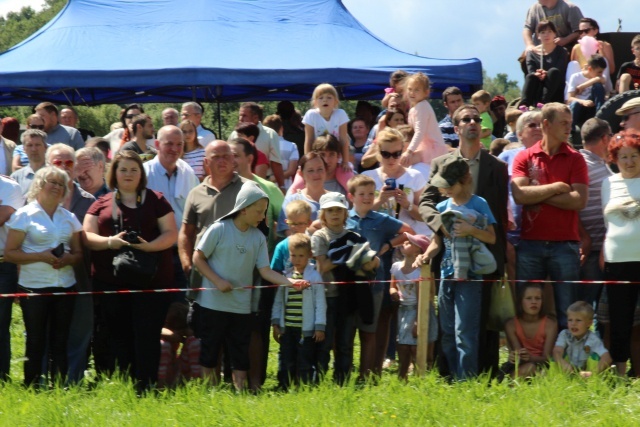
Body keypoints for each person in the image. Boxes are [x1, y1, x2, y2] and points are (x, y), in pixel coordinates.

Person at [419, 104, 509, 375]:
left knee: (483, 321)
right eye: (465, 119)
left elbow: (500, 217)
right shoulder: (440, 163)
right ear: (456, 128)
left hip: (485, 257)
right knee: (450, 325)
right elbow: (425, 203)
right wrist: (441, 228)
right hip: (449, 256)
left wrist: (500, 255)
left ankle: (483, 375)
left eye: (476, 118)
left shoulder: (497, 166)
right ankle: (449, 375)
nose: (472, 122)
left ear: (481, 128)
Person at [193, 181, 308, 391]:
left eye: (264, 212)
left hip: (241, 307)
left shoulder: (258, 238)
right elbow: (198, 258)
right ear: (243, 208)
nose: (262, 217)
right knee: (210, 350)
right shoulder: (219, 229)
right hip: (212, 305)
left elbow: (265, 271)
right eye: (258, 211)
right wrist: (217, 281)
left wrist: (290, 282)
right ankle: (209, 392)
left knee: (240, 352)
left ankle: (241, 392)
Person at [83, 150, 177, 393]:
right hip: (110, 284)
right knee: (117, 335)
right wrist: (110, 242)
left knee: (147, 336)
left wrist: (147, 247)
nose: (128, 174)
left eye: (134, 169)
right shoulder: (100, 203)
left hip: (152, 284)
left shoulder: (156, 199)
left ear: (141, 174)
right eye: (123, 169)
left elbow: (171, 234)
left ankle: (146, 387)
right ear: (113, 172)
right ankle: (122, 385)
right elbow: (87, 236)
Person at [511, 102, 588, 330]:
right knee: (525, 309)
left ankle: (566, 363)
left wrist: (536, 195)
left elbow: (579, 201)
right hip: (530, 244)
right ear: (546, 124)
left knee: (569, 312)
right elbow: (519, 195)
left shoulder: (576, 158)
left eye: (570, 124)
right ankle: (528, 361)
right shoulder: (524, 157)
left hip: (566, 245)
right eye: (563, 123)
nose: (569, 129)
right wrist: (556, 187)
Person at [5, 166, 83, 387]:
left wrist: (67, 259)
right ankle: (31, 386)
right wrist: (41, 256)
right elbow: (10, 253)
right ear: (39, 184)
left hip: (65, 286)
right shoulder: (24, 215)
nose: (57, 187)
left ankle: (59, 387)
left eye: (61, 184)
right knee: (36, 340)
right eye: (53, 182)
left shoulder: (69, 217)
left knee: (61, 341)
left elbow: (78, 255)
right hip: (34, 287)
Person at [422, 157, 497, 380]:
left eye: (449, 185)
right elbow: (437, 243)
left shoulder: (479, 204)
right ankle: (454, 376)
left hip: (471, 277)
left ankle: (467, 380)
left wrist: (470, 229)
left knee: (464, 332)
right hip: (446, 276)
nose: (444, 189)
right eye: (442, 184)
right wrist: (425, 256)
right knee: (447, 331)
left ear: (464, 181)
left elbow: (492, 238)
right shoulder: (442, 206)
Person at [346, 174, 414, 376]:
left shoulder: (381, 219)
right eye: (361, 194)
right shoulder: (344, 218)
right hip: (349, 285)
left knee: (370, 331)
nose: (366, 198)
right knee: (348, 332)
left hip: (374, 285)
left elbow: (408, 231)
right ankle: (346, 372)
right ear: (351, 197)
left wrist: (388, 245)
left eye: (370, 193)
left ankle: (367, 375)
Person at [311, 192, 379, 383]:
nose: (335, 214)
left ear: (345, 213)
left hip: (349, 297)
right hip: (326, 297)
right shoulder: (319, 236)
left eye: (339, 210)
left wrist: (370, 259)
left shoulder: (354, 235)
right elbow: (322, 266)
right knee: (323, 342)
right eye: (330, 210)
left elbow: (371, 264)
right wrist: (348, 252)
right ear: (323, 214)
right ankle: (318, 382)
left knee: (345, 342)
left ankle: (343, 381)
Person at [46, 143, 96, 384]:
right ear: (48, 166)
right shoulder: (32, 202)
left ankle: (73, 381)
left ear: (76, 168)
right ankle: (45, 379)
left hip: (81, 277)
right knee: (45, 332)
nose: (64, 168)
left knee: (79, 332)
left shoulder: (90, 202)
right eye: (58, 163)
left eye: (69, 163)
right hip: (43, 278)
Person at [144, 125, 200, 300]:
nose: (175, 149)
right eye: (169, 144)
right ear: (157, 144)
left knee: (181, 309)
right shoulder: (144, 173)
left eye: (179, 144)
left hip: (182, 252)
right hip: (153, 254)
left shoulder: (188, 173)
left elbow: (197, 210)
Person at [601, 130, 640, 376]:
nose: (629, 161)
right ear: (615, 159)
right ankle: (620, 374)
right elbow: (607, 222)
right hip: (616, 259)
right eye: (623, 156)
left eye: (634, 155)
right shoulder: (608, 183)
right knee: (620, 319)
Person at [271, 233, 325, 390]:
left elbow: (320, 303)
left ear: (309, 255)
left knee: (304, 359)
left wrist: (320, 326)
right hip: (287, 328)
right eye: (293, 255)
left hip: (306, 330)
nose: (297, 259)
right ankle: (284, 385)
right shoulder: (286, 276)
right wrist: (275, 322)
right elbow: (279, 301)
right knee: (286, 358)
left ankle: (304, 386)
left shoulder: (314, 276)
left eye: (301, 256)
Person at [363, 128, 430, 237]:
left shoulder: (415, 176)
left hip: (408, 240)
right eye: (386, 154)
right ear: (378, 152)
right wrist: (379, 200)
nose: (391, 159)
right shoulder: (367, 177)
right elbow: (359, 214)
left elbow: (425, 216)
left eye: (396, 154)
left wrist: (407, 205)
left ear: (403, 151)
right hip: (378, 238)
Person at [390, 233, 436, 380]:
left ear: (418, 251)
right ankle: (402, 375)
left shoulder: (420, 271)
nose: (404, 243)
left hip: (418, 310)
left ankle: (420, 377)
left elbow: (425, 297)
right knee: (402, 345)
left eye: (410, 243)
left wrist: (418, 321)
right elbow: (392, 285)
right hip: (403, 310)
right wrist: (393, 291)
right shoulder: (396, 267)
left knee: (417, 347)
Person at [577, 118, 612, 309]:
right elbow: (570, 205)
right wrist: (584, 237)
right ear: (605, 138)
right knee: (584, 308)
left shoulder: (601, 163)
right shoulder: (581, 163)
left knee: (600, 310)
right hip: (589, 251)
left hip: (603, 250)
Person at [503, 284, 558, 378]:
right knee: (527, 368)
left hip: (542, 365)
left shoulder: (550, 324)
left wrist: (530, 358)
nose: (533, 302)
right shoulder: (511, 325)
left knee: (531, 367)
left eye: (538, 298)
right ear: (521, 301)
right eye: (528, 298)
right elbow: (517, 353)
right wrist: (514, 357)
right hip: (519, 366)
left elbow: (547, 358)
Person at [0, 176, 24, 381]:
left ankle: (1, 378)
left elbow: (3, 215)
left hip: (3, 265)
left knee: (0, 323)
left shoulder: (10, 187)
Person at [229, 102, 284, 189]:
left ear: (255, 118)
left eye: (244, 116)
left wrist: (282, 186)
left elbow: (275, 163)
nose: (240, 119)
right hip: (236, 183)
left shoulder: (270, 134)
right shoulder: (234, 134)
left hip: (264, 184)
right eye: (239, 115)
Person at [400, 72, 448, 167]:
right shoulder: (414, 108)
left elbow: (419, 132)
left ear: (426, 92)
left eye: (417, 90)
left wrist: (409, 151)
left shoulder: (422, 106)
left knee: (403, 162)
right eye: (410, 89)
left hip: (433, 149)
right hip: (426, 148)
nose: (412, 93)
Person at [553, 301, 612, 375]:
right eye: (570, 320)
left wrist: (592, 373)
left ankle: (591, 378)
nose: (573, 324)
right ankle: (557, 377)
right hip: (567, 369)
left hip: (586, 371)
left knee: (596, 357)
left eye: (578, 320)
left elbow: (607, 357)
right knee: (555, 357)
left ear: (589, 323)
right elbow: (557, 351)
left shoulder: (593, 339)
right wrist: (562, 363)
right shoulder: (564, 334)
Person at [277, 152, 328, 237]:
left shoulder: (335, 198)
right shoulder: (291, 201)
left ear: (325, 170)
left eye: (320, 169)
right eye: (310, 170)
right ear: (301, 173)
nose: (316, 174)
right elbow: (289, 234)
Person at [302, 83, 350, 171]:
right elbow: (309, 140)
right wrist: (308, 162)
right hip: (318, 156)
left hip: (335, 156)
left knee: (347, 174)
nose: (325, 100)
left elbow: (344, 140)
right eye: (321, 98)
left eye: (329, 97)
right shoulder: (311, 115)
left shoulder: (341, 114)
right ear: (315, 102)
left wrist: (345, 161)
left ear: (335, 101)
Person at [521, 21, 569, 108]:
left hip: (554, 89)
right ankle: (524, 105)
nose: (546, 35)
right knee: (530, 76)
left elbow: (560, 69)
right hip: (538, 88)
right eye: (543, 32)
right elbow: (531, 70)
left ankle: (543, 102)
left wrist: (546, 73)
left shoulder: (562, 51)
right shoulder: (532, 53)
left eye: (550, 31)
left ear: (555, 33)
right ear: (538, 36)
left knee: (553, 72)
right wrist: (538, 74)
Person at [157, 302, 201, 389]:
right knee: (164, 346)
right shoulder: (159, 329)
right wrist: (171, 335)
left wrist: (183, 336)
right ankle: (160, 386)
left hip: (177, 369)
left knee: (194, 343)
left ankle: (197, 384)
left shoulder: (185, 331)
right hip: (163, 371)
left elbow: (192, 333)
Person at [272, 200, 313, 275]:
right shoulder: (281, 247)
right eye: (292, 223)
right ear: (286, 222)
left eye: (300, 224)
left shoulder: (313, 244)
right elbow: (274, 272)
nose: (296, 227)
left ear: (309, 223)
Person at [566, 54, 606, 129]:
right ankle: (571, 130)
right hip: (580, 107)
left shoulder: (599, 78)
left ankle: (599, 118)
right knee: (575, 104)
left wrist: (583, 86)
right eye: (599, 72)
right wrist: (583, 102)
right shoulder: (576, 77)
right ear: (590, 69)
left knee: (598, 86)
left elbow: (601, 79)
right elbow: (570, 98)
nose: (601, 75)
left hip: (592, 107)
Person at [263, 114, 299, 191]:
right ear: (281, 129)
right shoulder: (292, 146)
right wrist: (276, 178)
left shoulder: (263, 146)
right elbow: (292, 170)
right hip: (287, 188)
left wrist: (271, 179)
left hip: (267, 188)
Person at [10, 129, 48, 196]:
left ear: (45, 147)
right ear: (24, 149)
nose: (34, 149)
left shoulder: (55, 174)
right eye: (30, 145)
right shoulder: (16, 177)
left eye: (37, 145)